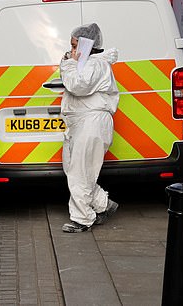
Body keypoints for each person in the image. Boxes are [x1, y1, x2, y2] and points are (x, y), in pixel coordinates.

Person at [59, 23, 120, 233]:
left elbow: (78, 85)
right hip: (82, 123)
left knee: (79, 173)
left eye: (75, 46)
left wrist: (67, 65)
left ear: (86, 45)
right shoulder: (89, 63)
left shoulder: (95, 65)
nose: (72, 51)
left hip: (91, 123)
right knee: (73, 169)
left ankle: (83, 219)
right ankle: (103, 204)